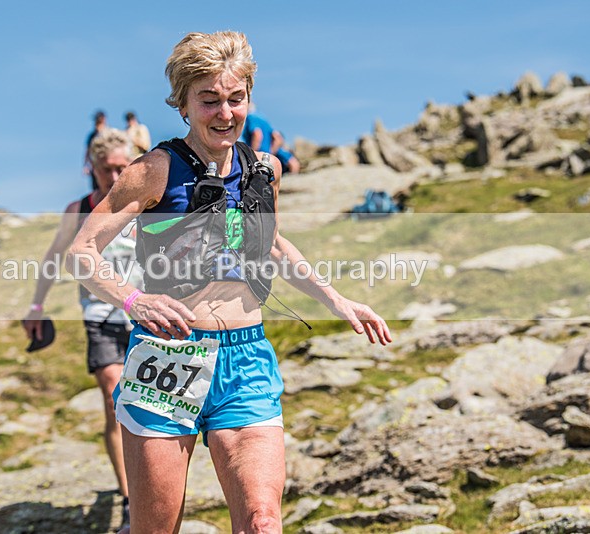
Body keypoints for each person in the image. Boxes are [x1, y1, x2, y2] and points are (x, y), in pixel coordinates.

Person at [67, 31, 391, 533]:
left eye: (235, 99)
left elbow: (273, 245)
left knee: (262, 522)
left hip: (246, 358)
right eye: (209, 100)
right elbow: (82, 251)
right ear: (183, 105)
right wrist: (134, 300)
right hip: (167, 356)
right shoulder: (154, 170)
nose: (224, 113)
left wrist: (336, 299)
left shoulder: (265, 169)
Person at [23, 129, 137, 529]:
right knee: (114, 397)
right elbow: (53, 257)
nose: (115, 176)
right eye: (107, 169)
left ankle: (153, 484)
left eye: (122, 167)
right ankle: (130, 498)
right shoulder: (79, 209)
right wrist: (37, 306)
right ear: (92, 167)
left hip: (147, 314)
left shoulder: (148, 201)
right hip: (100, 316)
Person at [243, 105, 301, 174]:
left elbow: (257, 134)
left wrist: (251, 155)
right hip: (268, 154)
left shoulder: (251, 117)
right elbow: (276, 136)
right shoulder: (262, 118)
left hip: (261, 154)